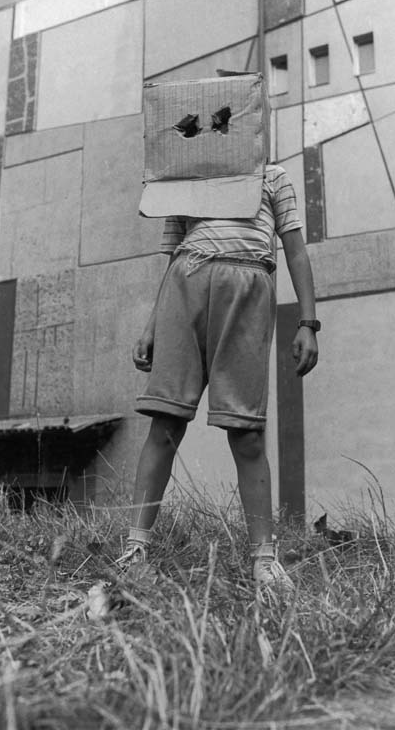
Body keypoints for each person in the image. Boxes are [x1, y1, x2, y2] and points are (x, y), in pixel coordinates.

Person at [119, 164, 319, 587]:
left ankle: (264, 560)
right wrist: (151, 325)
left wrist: (308, 322)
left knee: (247, 433)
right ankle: (135, 548)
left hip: (248, 288)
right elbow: (173, 256)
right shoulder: (185, 174)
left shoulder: (273, 176)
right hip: (186, 286)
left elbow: (296, 251)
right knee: (165, 422)